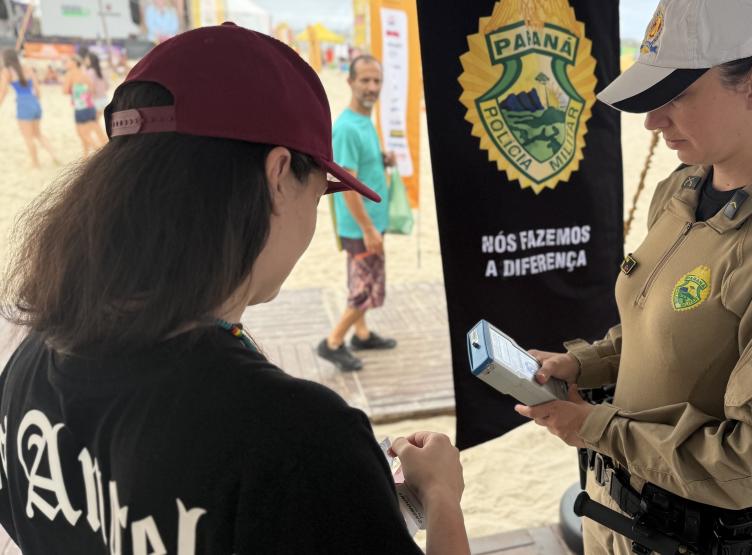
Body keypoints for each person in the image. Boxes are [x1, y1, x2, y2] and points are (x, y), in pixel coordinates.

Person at [0, 23, 469, 555]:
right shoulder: (301, 440)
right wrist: (441, 497)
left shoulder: (29, 364)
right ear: (278, 174)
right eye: (321, 192)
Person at [516, 1, 752, 554]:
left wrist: (596, 428)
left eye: (676, 94)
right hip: (610, 510)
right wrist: (584, 363)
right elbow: (662, 334)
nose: (652, 120)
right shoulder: (681, 191)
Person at [317, 54, 398, 372]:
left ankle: (361, 335)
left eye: (376, 80)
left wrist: (381, 159)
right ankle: (333, 342)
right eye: (364, 80)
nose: (371, 87)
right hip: (360, 224)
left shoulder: (364, 121)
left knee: (363, 281)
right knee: (365, 288)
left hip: (371, 220)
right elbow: (346, 185)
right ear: (350, 82)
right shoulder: (347, 128)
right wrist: (367, 228)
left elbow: (360, 166)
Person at [0, 49, 60, 168]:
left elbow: (3, 91)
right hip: (35, 103)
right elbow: (37, 91)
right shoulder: (27, 68)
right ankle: (55, 157)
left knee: (28, 137)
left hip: (23, 104)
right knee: (38, 134)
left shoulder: (6, 71)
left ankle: (35, 163)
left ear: (5, 58)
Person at [62, 55, 106, 156]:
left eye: (67, 61)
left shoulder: (70, 74)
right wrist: (82, 91)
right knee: (93, 133)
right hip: (90, 106)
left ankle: (100, 154)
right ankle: (85, 157)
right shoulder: (83, 74)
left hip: (81, 108)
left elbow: (65, 91)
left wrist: (75, 90)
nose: (66, 63)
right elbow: (92, 90)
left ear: (74, 63)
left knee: (83, 135)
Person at [83, 51, 109, 120]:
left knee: (93, 122)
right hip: (104, 99)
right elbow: (107, 86)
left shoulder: (90, 72)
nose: (85, 61)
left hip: (94, 100)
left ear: (91, 60)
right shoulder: (102, 71)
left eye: (87, 59)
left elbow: (91, 88)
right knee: (96, 121)